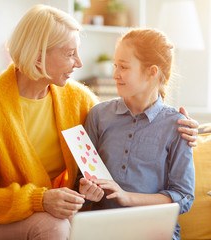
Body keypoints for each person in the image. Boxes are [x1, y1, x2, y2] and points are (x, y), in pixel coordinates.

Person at [0, 5, 198, 240]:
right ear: (38, 55)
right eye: (69, 53)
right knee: (57, 227)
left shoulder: (79, 99)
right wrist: (40, 200)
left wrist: (192, 131)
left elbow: (127, 123)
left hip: (60, 212)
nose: (79, 63)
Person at [79, 28, 195, 240]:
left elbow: (184, 197)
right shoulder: (98, 116)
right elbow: (82, 182)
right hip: (102, 227)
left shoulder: (178, 126)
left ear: (152, 72)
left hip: (155, 230)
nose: (114, 74)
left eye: (123, 67)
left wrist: (127, 198)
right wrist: (86, 193)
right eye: (115, 65)